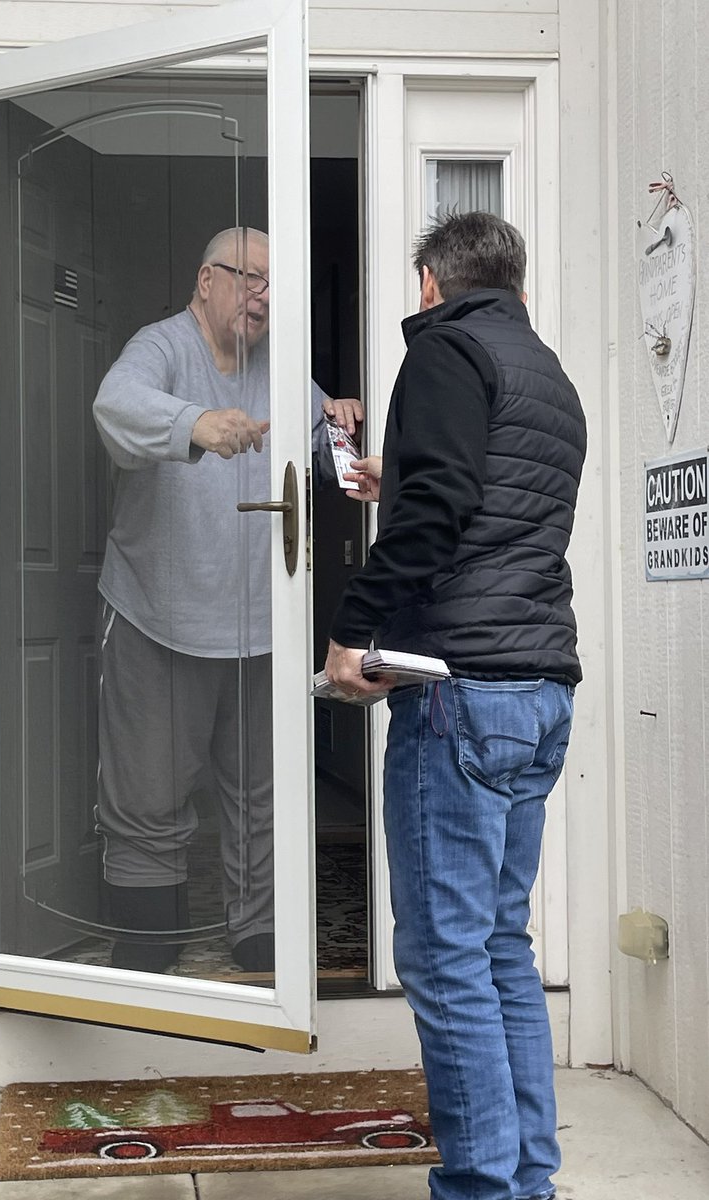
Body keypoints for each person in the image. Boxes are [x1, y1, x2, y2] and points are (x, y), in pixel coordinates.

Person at [324, 210, 586, 1200]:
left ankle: (484, 1189)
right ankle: (525, 1182)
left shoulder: (444, 349)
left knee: (443, 957)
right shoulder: (546, 375)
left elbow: (438, 514)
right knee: (498, 946)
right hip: (538, 689)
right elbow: (493, 502)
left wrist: (354, 629)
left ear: (431, 283)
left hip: (463, 694)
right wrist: (408, 471)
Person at [93, 227, 362, 975]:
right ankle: (149, 944)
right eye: (249, 279)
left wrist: (338, 421)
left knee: (262, 794)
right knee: (148, 791)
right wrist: (195, 424)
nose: (262, 297)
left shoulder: (282, 366)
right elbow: (113, 409)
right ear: (206, 279)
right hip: (156, 611)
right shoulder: (161, 346)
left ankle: (259, 935)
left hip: (259, 616)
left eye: (274, 286)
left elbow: (326, 456)